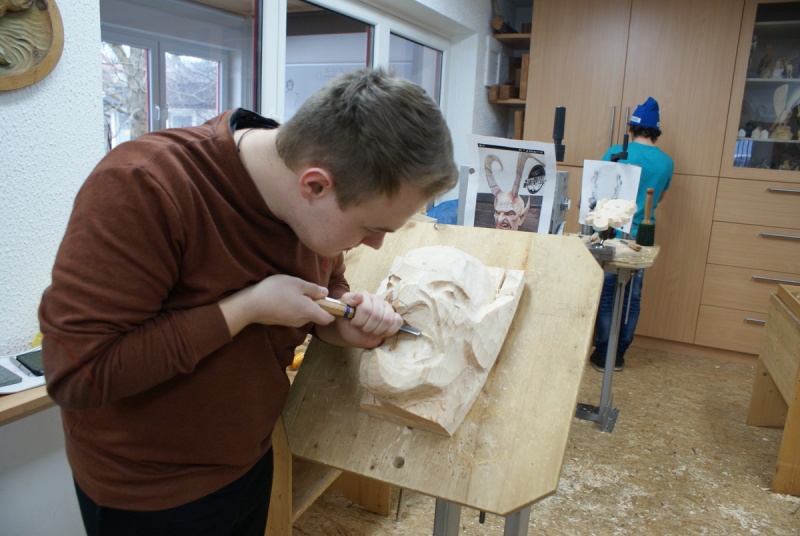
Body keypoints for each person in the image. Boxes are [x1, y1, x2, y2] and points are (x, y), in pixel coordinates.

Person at [38, 68, 457, 536]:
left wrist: (341, 318)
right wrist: (246, 308)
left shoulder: (313, 193)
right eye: (371, 228)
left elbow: (327, 285)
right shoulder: (143, 186)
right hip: (152, 494)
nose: (376, 244)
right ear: (314, 185)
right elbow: (77, 375)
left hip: (249, 460)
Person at [589, 96, 673, 372]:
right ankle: (619, 355)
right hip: (640, 238)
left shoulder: (617, 151)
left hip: (611, 234)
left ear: (631, 127)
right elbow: (657, 199)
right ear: (656, 131)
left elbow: (598, 192)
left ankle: (603, 354)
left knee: (608, 293)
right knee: (632, 298)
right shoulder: (666, 163)